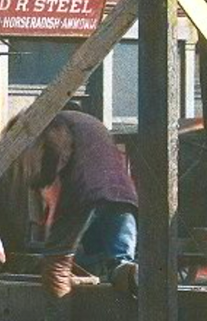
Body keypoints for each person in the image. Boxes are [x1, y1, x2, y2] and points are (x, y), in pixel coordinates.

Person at [33, 110, 139, 297]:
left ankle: (58, 315)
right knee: (118, 261)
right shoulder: (94, 125)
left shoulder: (56, 123)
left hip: (84, 193)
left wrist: (44, 180)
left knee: (56, 264)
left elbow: (55, 157)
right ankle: (131, 274)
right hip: (123, 196)